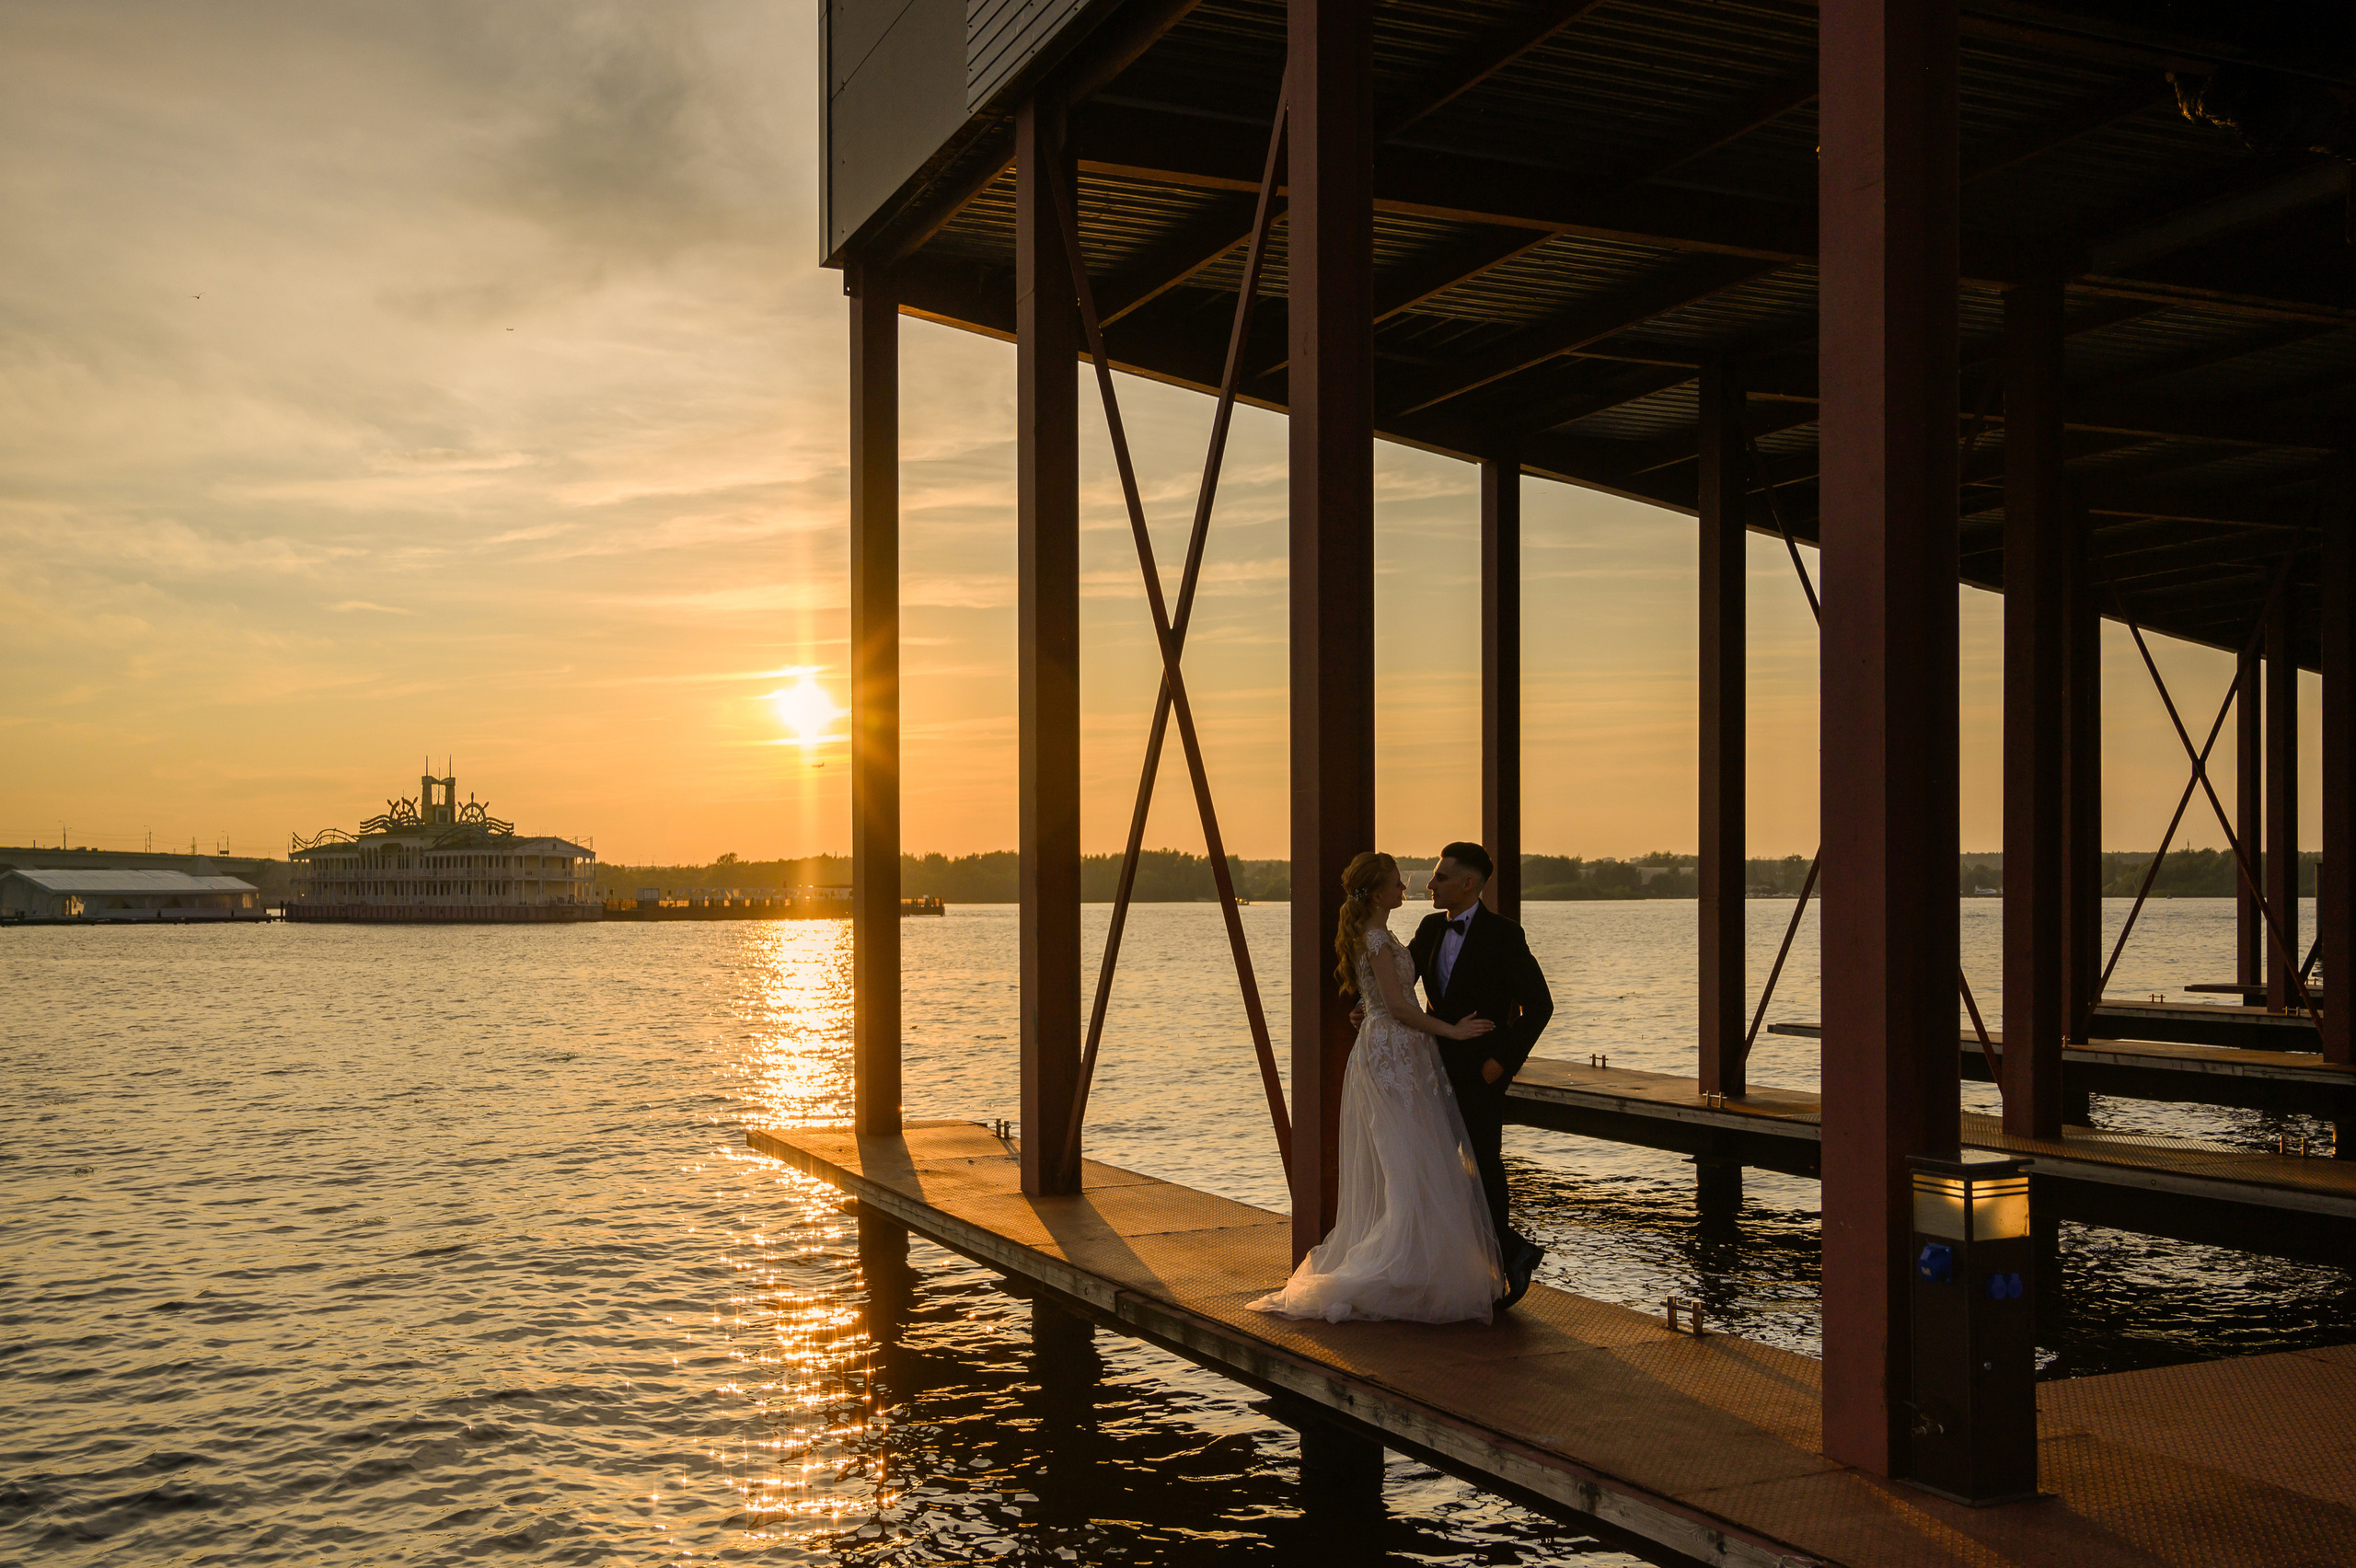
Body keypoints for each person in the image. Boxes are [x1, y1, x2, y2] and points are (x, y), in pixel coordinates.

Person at [1247, 852, 1506, 1324]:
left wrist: (1370, 1009)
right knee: (1405, 1162)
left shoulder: (1383, 936)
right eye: (1397, 883)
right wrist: (1452, 1031)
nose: (1406, 888)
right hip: (1391, 1056)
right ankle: (1394, 1269)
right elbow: (1399, 1007)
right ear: (1377, 892)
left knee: (1417, 1157)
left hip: (1402, 1052)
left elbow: (1388, 998)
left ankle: (1418, 1266)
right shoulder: (1376, 939)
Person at [1409, 842, 1553, 1308]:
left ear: (1468, 883)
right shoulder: (1430, 927)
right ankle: (1502, 1253)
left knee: (1483, 1166)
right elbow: (1399, 980)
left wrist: (1501, 1063)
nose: (1431, 885)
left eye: (1441, 876)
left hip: (1482, 1073)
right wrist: (1360, 1003)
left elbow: (1540, 1006)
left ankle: (1499, 1267)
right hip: (1433, 1069)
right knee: (1430, 1164)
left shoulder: (1504, 935)